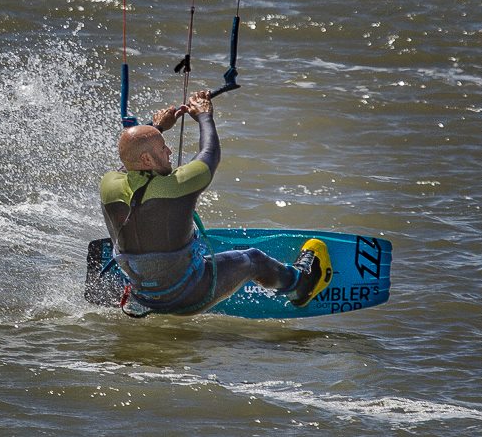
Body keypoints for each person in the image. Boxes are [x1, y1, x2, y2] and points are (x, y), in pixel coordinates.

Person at [99, 90, 331, 315]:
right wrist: (204, 116)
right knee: (253, 259)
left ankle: (152, 286)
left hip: (145, 298)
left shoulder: (108, 186)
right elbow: (210, 153)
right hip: (188, 297)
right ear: (147, 158)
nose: (169, 151)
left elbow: (130, 160)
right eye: (162, 148)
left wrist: (157, 128)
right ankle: (300, 285)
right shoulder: (175, 187)